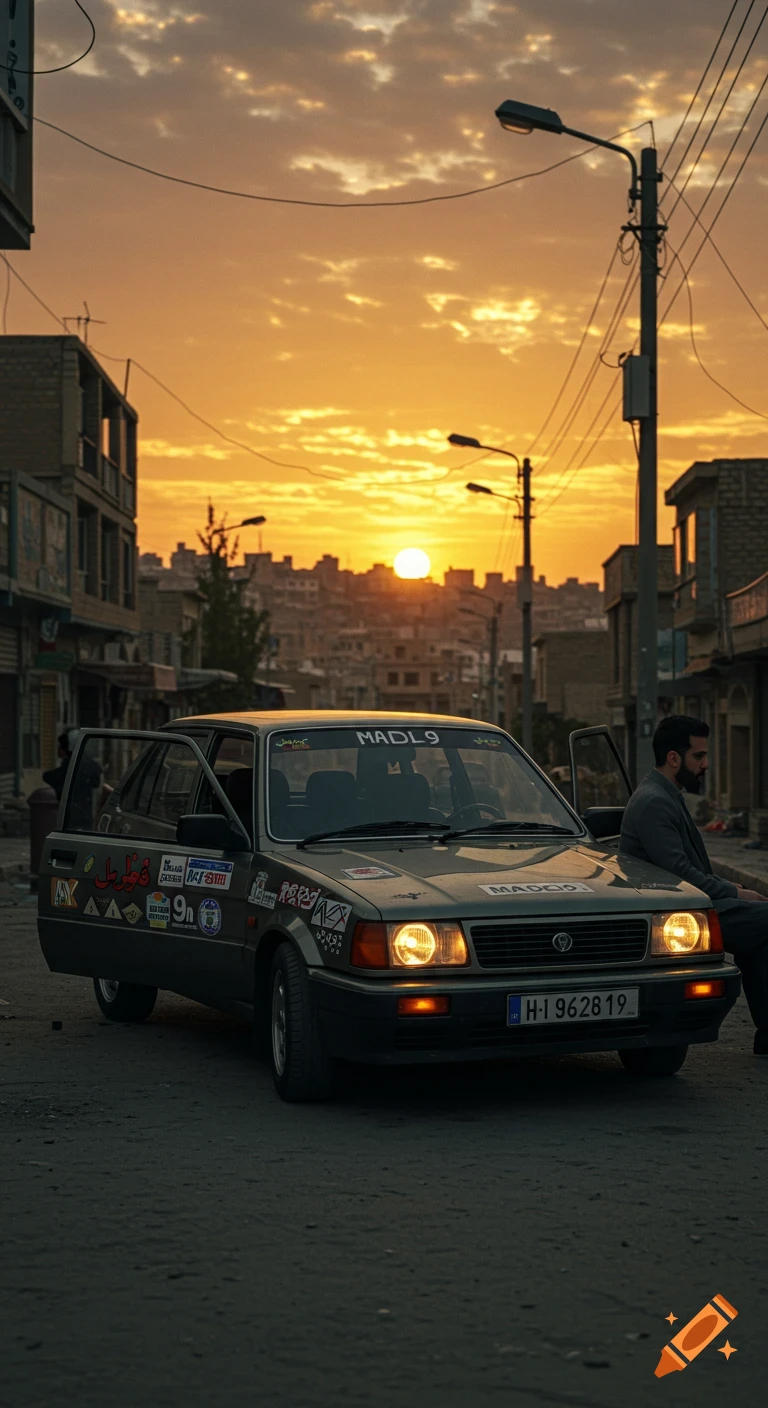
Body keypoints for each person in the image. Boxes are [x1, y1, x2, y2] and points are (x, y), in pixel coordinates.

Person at [620, 715, 768, 1055]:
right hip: (678, 917)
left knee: (759, 934)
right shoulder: (654, 801)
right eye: (698, 756)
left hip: (694, 904)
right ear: (674, 758)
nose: (705, 765)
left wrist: (733, 887)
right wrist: (735, 891)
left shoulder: (665, 794)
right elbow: (680, 874)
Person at [42, 729, 103, 828]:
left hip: (69, 818)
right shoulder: (91, 766)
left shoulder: (69, 769)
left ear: (67, 748)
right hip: (86, 816)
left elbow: (48, 777)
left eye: (60, 746)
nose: (58, 749)